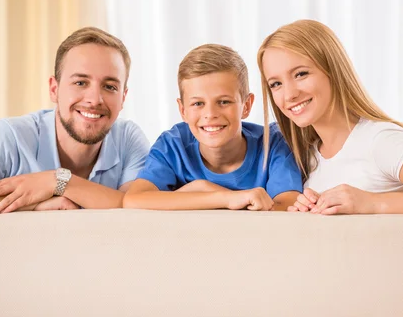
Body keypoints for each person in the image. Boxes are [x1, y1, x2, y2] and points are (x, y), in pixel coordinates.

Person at [0, 27, 150, 229]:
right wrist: (30, 203)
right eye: (80, 82)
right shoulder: (10, 137)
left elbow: (136, 209)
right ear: (54, 89)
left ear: (123, 97)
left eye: (110, 87)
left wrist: (59, 181)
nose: (94, 98)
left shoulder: (128, 139)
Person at [256, 19, 403, 215]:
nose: (289, 94)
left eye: (300, 74)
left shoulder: (380, 140)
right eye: (276, 84)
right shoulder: (305, 155)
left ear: (333, 70)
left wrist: (372, 203)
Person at [123, 44, 302, 211]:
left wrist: (195, 192)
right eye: (198, 103)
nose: (210, 114)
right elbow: (134, 200)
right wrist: (223, 197)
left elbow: (288, 207)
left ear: (246, 105)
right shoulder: (173, 145)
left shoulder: (273, 143)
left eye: (223, 102)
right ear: (182, 110)